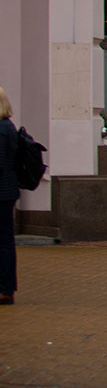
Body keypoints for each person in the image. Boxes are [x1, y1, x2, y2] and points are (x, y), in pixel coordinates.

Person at [0, 86, 20, 306]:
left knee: (4, 242)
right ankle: (6, 287)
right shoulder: (8, 127)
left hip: (2, 193)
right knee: (5, 241)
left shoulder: (1, 129)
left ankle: (5, 288)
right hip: (7, 191)